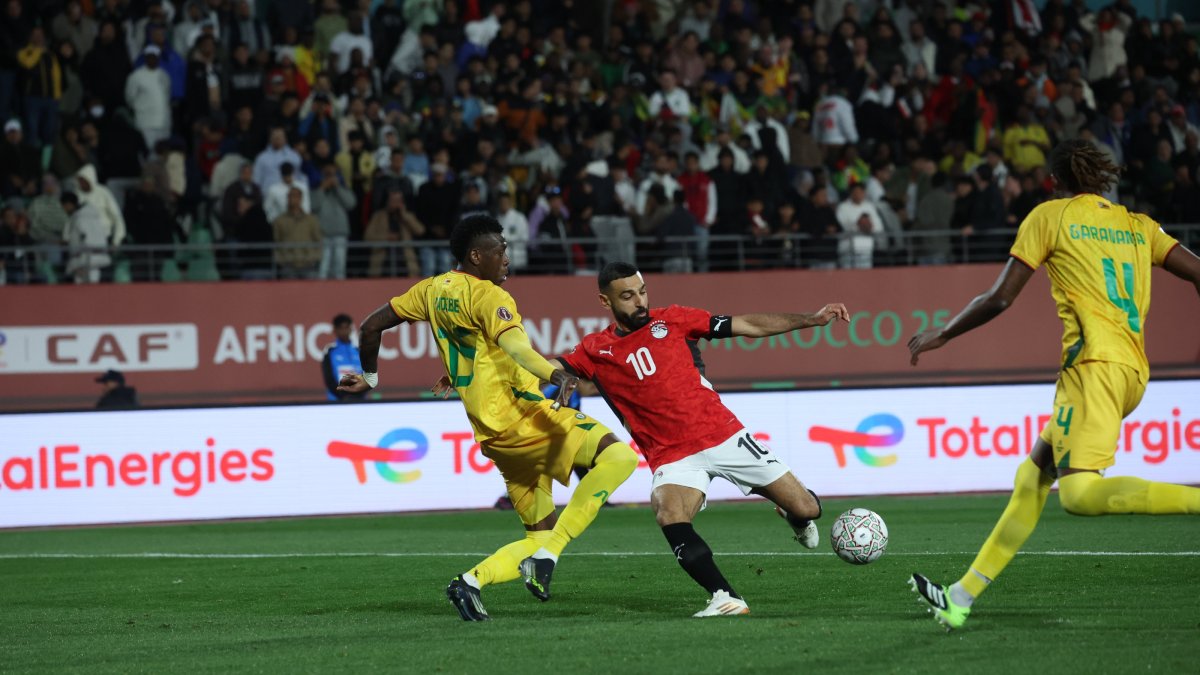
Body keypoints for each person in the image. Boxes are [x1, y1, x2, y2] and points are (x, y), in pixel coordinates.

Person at [907, 140, 1200, 630]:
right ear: (1103, 179)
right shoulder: (1139, 225)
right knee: (1034, 476)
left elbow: (1000, 298)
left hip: (1091, 367)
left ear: (1054, 181)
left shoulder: (1051, 216)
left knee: (1080, 495)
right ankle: (960, 597)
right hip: (1131, 372)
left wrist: (944, 333)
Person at [337, 215, 639, 621]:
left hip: (496, 440)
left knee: (539, 536)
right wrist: (557, 374)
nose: (507, 257)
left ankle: (470, 582)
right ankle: (550, 557)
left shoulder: (431, 289)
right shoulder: (491, 297)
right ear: (477, 255)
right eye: (500, 249)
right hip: (526, 419)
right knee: (620, 459)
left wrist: (371, 377)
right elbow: (517, 349)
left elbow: (372, 326)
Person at [549, 261, 846, 617]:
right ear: (604, 301)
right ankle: (725, 596)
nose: (639, 302)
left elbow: (747, 324)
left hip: (722, 434)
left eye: (642, 292)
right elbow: (546, 369)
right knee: (668, 512)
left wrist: (810, 319)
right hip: (672, 456)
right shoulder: (595, 350)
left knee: (809, 508)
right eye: (627, 296)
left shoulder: (674, 319)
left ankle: (793, 516)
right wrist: (497, 376)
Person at [321, 313, 364, 402]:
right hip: (337, 401)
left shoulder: (358, 351)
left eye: (347, 327)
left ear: (351, 329)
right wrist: (343, 397)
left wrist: (358, 395)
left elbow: (367, 376)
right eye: (341, 328)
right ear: (335, 330)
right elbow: (329, 379)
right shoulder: (330, 351)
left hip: (359, 401)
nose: (344, 331)